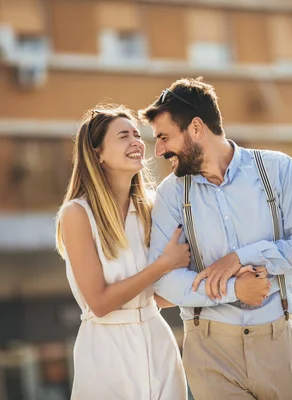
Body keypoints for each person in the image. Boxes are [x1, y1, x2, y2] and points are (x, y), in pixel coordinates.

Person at [140, 77, 292, 400]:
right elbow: (165, 282)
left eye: (164, 137)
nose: (158, 150)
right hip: (210, 349)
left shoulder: (277, 170)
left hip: (276, 344)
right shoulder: (171, 194)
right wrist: (234, 289)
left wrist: (242, 258)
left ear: (197, 128)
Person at [55, 104, 189, 399]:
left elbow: (160, 295)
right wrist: (163, 265)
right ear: (97, 153)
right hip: (106, 351)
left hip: (159, 343)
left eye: (137, 135)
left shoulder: (153, 207)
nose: (136, 142)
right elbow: (100, 303)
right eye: (123, 136)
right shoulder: (77, 214)